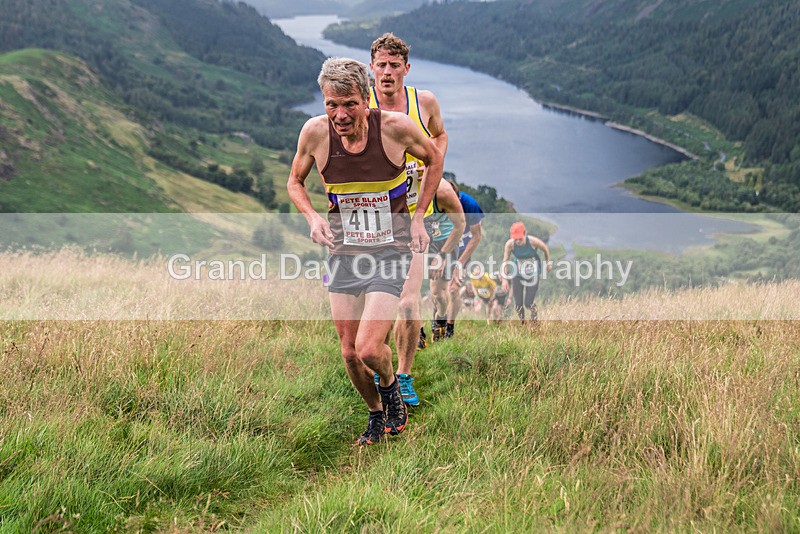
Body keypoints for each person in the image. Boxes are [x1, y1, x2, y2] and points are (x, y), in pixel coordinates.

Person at [287, 57, 443, 445]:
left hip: (391, 250)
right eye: (331, 104)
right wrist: (312, 218)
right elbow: (295, 181)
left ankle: (391, 385)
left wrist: (420, 215)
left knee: (370, 348)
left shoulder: (394, 129)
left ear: (365, 97)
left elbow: (433, 158)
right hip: (343, 253)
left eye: (349, 104)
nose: (340, 115)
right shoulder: (315, 134)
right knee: (348, 352)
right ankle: (376, 413)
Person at [368, 33, 449, 406]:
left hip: (416, 216)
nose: (387, 72)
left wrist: (433, 159)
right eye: (381, 65)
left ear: (406, 69)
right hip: (374, 218)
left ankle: (403, 375)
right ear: (371, 68)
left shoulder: (424, 101)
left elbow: (440, 134)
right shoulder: (361, 105)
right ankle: (378, 363)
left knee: (407, 302)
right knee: (375, 298)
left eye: (394, 65)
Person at [423, 181, 465, 342]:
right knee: (431, 290)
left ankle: (440, 318)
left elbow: (460, 226)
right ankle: (420, 332)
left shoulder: (444, 195)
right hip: (426, 240)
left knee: (439, 293)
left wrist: (443, 255)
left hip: (446, 243)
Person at [443, 179, 484, 337]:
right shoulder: (436, 201)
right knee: (439, 291)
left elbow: (477, 236)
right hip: (444, 247)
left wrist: (460, 263)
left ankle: (449, 328)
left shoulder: (469, 204)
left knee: (453, 289)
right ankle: (438, 319)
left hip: (462, 250)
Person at [501, 222, 552, 323]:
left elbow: (545, 248)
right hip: (517, 273)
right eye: (516, 239)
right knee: (518, 305)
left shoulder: (533, 241)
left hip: (533, 274)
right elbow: (505, 262)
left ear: (525, 233)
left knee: (528, 303)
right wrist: (504, 279)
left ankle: (534, 321)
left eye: (520, 238)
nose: (518, 241)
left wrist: (548, 262)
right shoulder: (510, 244)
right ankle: (523, 323)